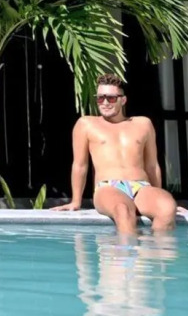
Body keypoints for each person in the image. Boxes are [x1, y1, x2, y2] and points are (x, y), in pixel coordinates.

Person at [51, 74, 179, 233]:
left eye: (111, 98)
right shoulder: (86, 124)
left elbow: (152, 165)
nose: (105, 103)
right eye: (100, 98)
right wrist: (76, 201)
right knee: (122, 210)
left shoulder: (143, 124)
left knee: (167, 207)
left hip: (142, 186)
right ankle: (128, 249)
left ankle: (156, 249)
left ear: (123, 100)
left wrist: (158, 196)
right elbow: (80, 165)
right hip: (108, 187)